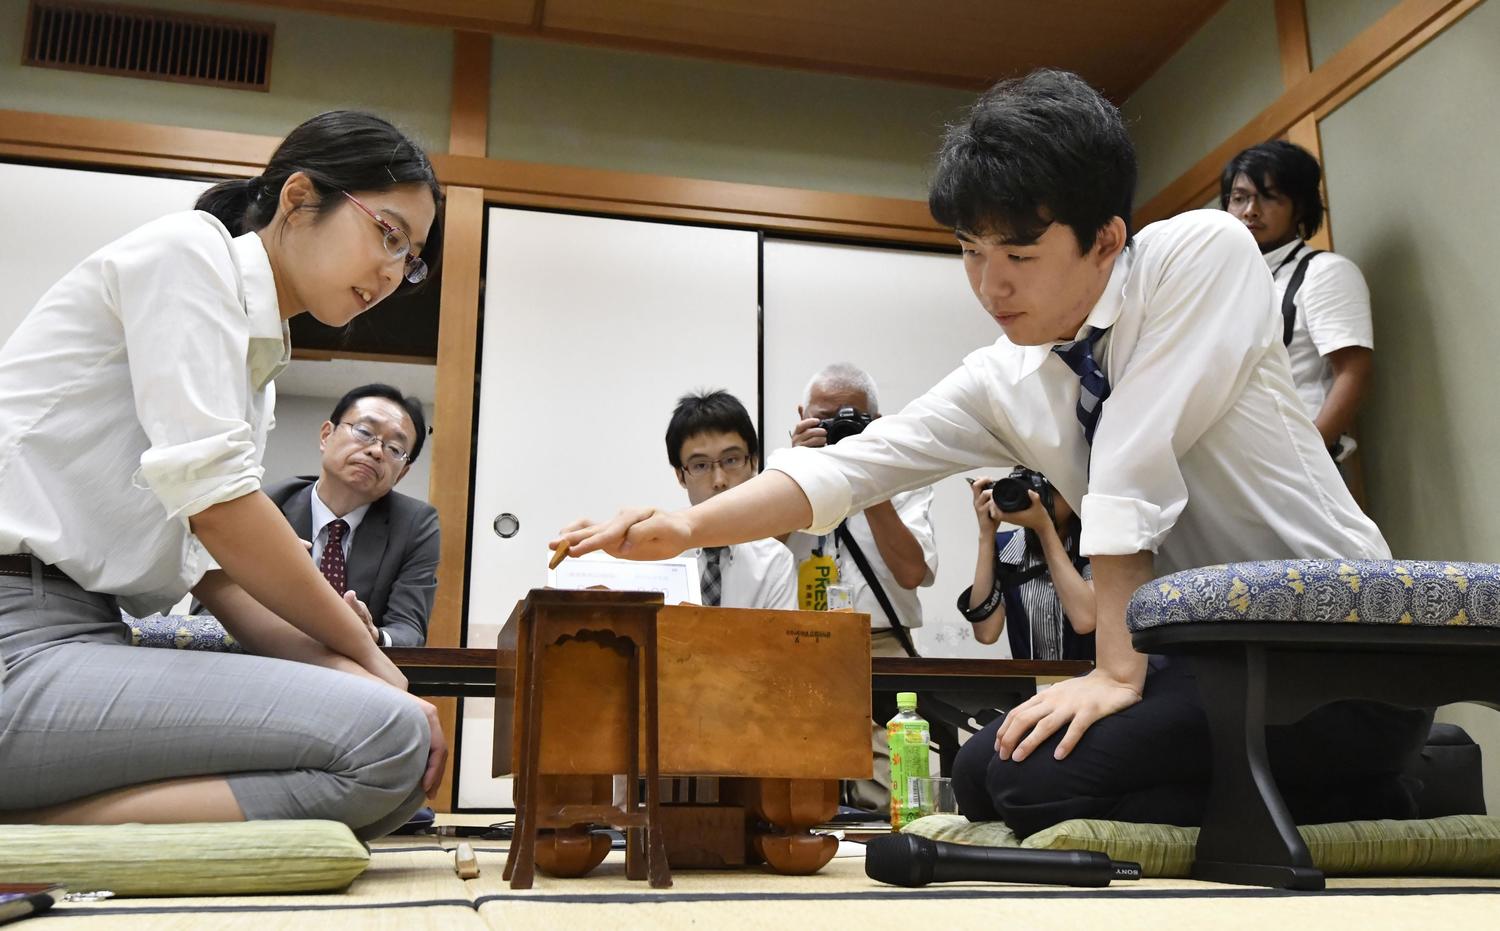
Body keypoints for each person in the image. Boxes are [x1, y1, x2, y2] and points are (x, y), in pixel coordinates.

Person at [554, 70, 1428, 837]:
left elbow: (1133, 452)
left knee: (1035, 780)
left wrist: (1116, 671)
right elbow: (853, 466)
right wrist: (689, 525)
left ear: (1106, 239)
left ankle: (1366, 784)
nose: (990, 284)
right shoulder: (1005, 376)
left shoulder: (1201, 254)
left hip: (1335, 646)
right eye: (971, 253)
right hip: (1212, 662)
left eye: (1019, 252)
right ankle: (1337, 793)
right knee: (983, 772)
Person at [0, 111, 448, 840]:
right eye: (388, 235)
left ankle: (38, 823)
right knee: (385, 742)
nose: (394, 272)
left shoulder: (255, 367)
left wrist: (363, 675)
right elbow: (222, 512)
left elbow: (222, 580)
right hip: (16, 637)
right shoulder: (191, 254)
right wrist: (368, 655)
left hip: (83, 634)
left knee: (396, 770)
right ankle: (29, 831)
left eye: (412, 259)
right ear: (299, 198)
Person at [1221, 140, 1373, 459]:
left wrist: (1308, 459)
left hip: (1295, 463)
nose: (1250, 210)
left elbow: (1353, 372)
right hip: (1233, 465)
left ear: (1300, 206)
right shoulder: (1226, 282)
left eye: (1269, 196)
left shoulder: (1324, 272)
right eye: (1239, 198)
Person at [258, 384, 439, 647]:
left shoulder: (415, 524)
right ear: (326, 435)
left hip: (357, 664)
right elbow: (207, 611)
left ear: (401, 473)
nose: (376, 451)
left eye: (394, 448)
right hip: (268, 657)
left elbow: (409, 630)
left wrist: (374, 635)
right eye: (364, 432)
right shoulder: (266, 507)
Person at [786, 363, 937, 657]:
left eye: (853, 421)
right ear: (803, 416)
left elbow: (910, 574)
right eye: (825, 418)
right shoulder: (782, 474)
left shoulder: (903, 480)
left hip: (882, 643)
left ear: (877, 422)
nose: (841, 431)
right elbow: (760, 554)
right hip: (798, 640)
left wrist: (869, 477)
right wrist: (798, 472)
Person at [666, 390, 795, 610]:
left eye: (731, 460)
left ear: (753, 463)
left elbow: (780, 634)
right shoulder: (660, 555)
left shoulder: (775, 560)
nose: (719, 480)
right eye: (700, 465)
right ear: (680, 475)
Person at [959, 473, 1094, 661]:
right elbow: (986, 634)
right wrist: (986, 533)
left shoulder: (1092, 548)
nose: (1039, 497)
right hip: (1030, 680)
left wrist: (1044, 528)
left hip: (1090, 678)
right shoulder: (1007, 548)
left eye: (1051, 487)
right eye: (1032, 486)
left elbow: (1085, 620)